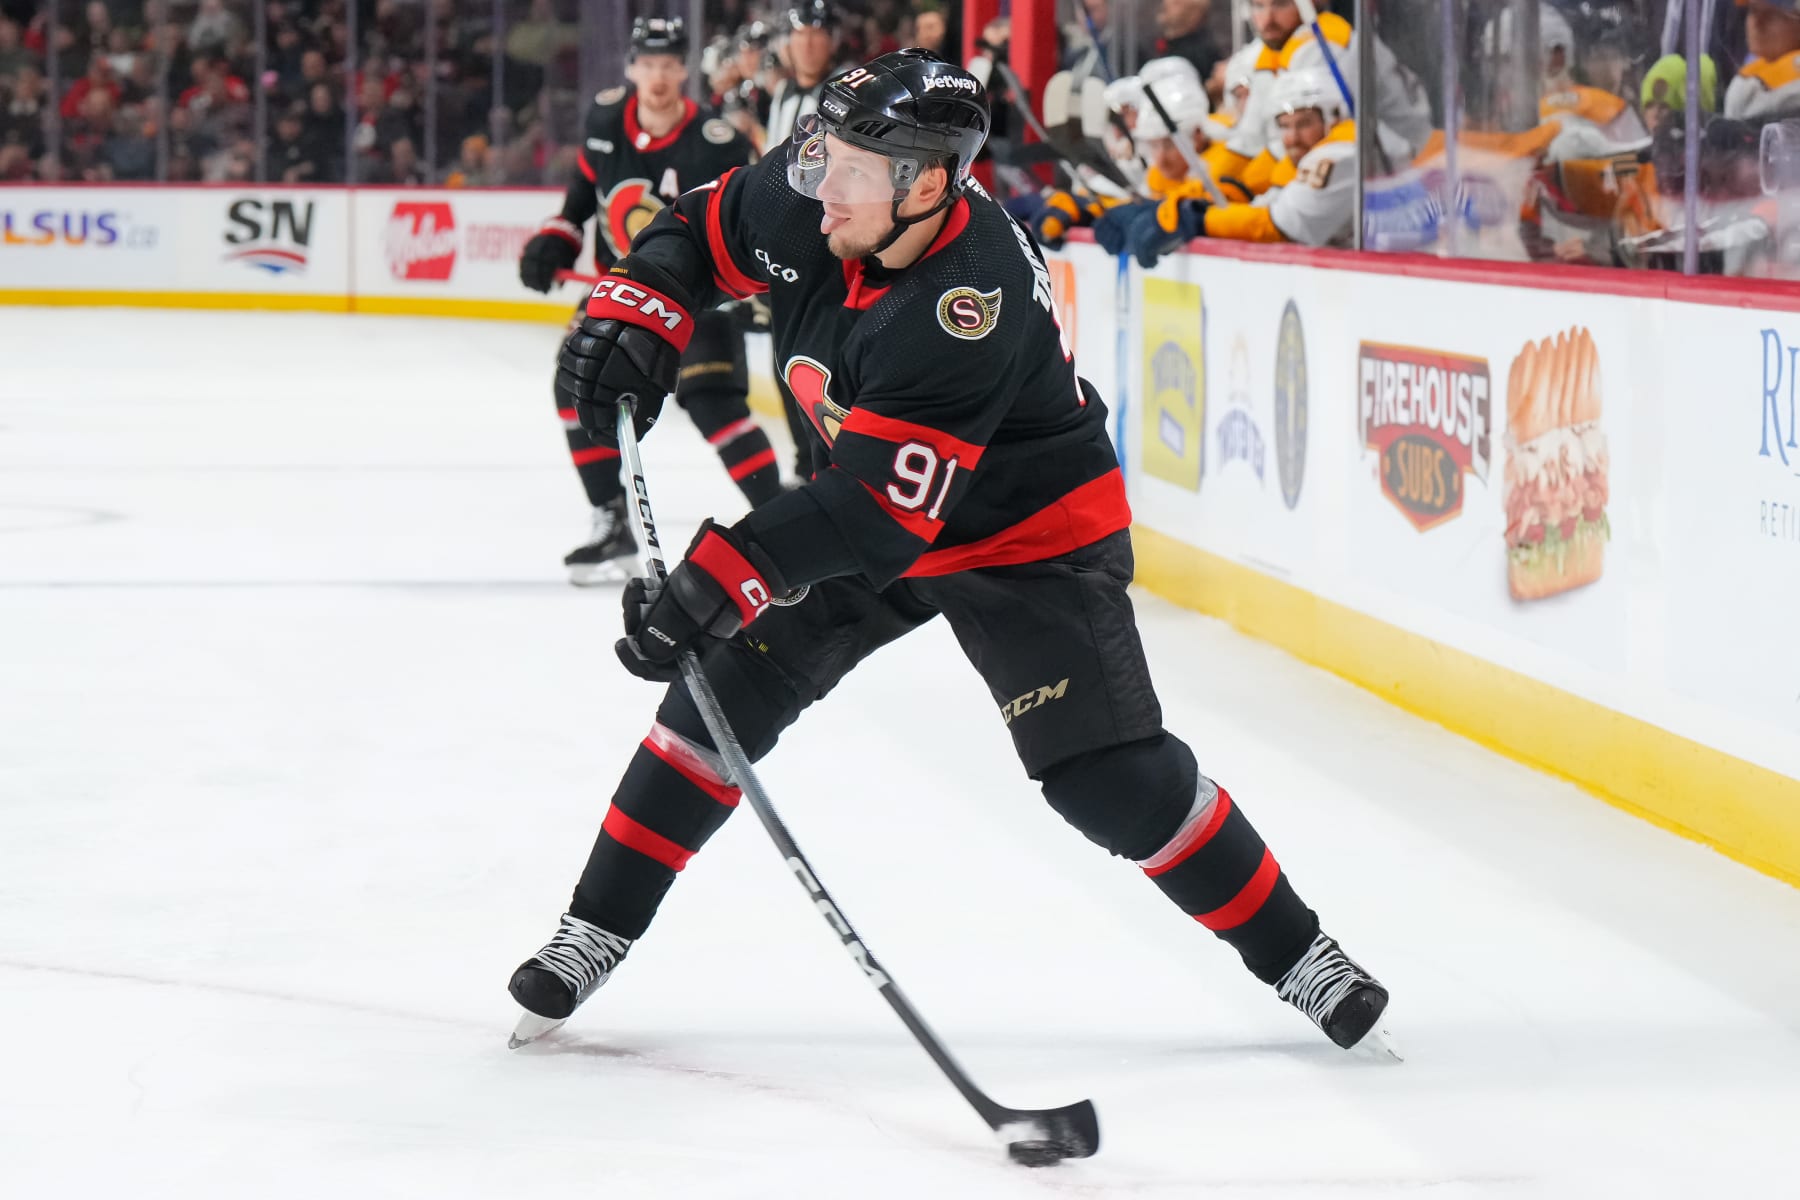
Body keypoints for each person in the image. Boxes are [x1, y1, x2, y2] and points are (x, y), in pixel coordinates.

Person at [506, 48, 1393, 1058]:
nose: (819, 184)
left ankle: (1303, 955)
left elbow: (873, 520)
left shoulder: (966, 300)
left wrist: (722, 578)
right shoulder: (821, 189)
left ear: (926, 185)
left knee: (1106, 779)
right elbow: (699, 231)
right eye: (820, 155)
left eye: (849, 170)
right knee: (716, 698)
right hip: (867, 495)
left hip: (1022, 540)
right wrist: (648, 305)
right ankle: (593, 931)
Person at [517, 17, 782, 584]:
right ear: (631, 68)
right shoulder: (605, 120)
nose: (658, 77)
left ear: (683, 70)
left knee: (714, 403)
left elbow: (747, 222)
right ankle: (610, 519)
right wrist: (557, 236)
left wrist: (762, 285)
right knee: (575, 385)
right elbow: (581, 196)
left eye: (668, 65)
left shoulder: (716, 141)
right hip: (619, 288)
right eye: (648, 64)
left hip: (699, 294)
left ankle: (785, 525)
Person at [1120, 66, 1359, 261]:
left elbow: (1280, 225)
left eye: (1304, 123)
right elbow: (1257, 203)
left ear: (1333, 118)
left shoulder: (1340, 154)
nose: (1292, 137)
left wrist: (1201, 219)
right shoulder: (1292, 155)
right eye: (1285, 126)